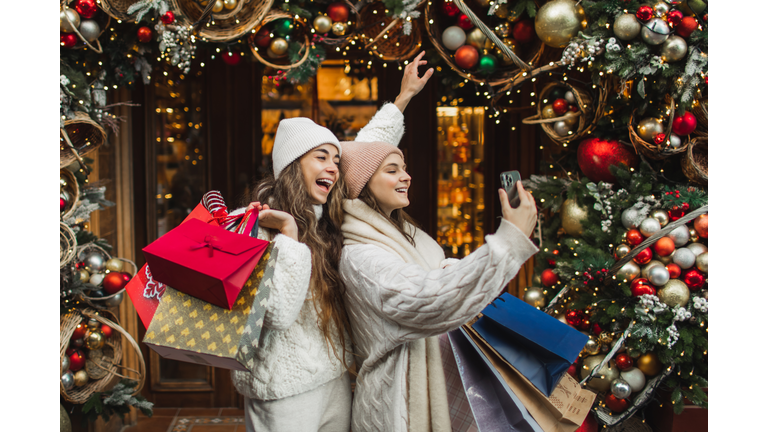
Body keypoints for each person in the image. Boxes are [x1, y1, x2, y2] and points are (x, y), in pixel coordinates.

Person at [228, 53, 433, 432]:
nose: (333, 166)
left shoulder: (328, 216)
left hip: (333, 376)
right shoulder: (261, 225)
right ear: (293, 164)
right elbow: (277, 314)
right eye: (321, 156)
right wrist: (289, 236)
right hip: (282, 389)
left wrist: (403, 97)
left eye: (335, 160)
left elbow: (368, 149)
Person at [337, 140, 539, 432]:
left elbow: (434, 283)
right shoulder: (359, 257)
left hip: (440, 388)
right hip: (398, 407)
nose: (406, 176)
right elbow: (427, 299)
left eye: (404, 169)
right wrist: (509, 241)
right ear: (361, 185)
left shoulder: (411, 237)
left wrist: (448, 269)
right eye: (392, 171)